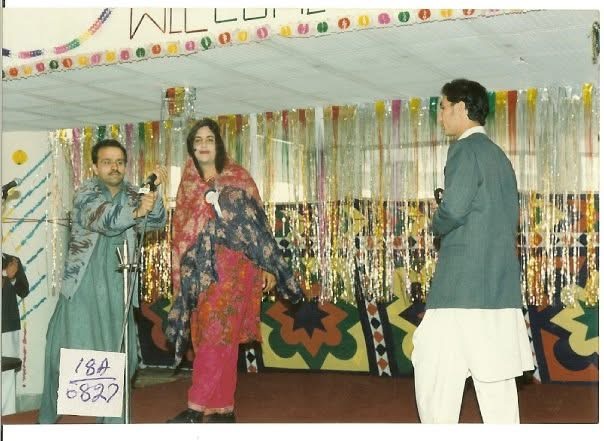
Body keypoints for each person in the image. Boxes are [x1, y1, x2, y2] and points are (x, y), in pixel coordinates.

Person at [411, 79, 534, 423]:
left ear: (462, 108)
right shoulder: (499, 157)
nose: (440, 117)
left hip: (460, 289)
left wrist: (435, 223)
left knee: (434, 372)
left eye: (443, 108)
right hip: (498, 289)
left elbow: (453, 209)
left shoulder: (464, 149)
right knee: (497, 386)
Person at [166, 118, 303, 424]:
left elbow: (258, 224)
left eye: (209, 139)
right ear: (191, 147)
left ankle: (195, 408)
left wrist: (267, 265)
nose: (203, 145)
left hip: (235, 268)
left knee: (216, 333)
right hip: (198, 268)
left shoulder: (238, 177)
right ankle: (222, 408)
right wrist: (181, 276)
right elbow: (180, 229)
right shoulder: (188, 182)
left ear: (218, 144)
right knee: (210, 335)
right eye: (198, 140)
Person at [38, 139, 167, 424]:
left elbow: (156, 222)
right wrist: (137, 211)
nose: (114, 167)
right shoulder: (86, 193)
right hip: (83, 285)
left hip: (118, 285)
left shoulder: (134, 192)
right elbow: (103, 220)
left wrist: (153, 196)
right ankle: (47, 419)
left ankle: (112, 425)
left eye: (119, 162)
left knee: (121, 355)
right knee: (63, 354)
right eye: (107, 162)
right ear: (95, 167)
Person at [2, 252, 30, 415]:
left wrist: (12, 279)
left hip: (8, 327)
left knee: (7, 373)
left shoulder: (12, 260)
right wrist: (5, 276)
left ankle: (7, 416)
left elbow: (24, 291)